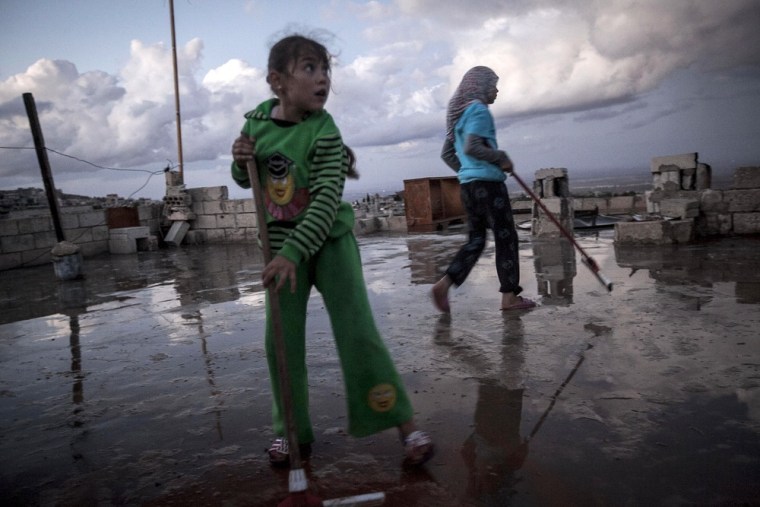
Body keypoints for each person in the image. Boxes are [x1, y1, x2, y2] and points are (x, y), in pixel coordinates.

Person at [230, 34, 433, 467]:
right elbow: (249, 180)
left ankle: (406, 427)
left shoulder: (325, 130)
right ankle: (290, 432)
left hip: (329, 243)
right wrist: (239, 156)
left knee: (357, 331)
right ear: (277, 81)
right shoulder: (256, 123)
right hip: (279, 246)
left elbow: (323, 202)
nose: (323, 78)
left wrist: (294, 253)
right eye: (309, 68)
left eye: (325, 70)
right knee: (280, 344)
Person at [432, 66, 535, 312]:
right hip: (489, 186)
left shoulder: (458, 116)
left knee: (476, 240)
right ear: (479, 86)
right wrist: (502, 158)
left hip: (468, 187)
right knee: (506, 238)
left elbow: (447, 154)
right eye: (493, 85)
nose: (496, 90)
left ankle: (445, 283)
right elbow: (472, 147)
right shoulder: (479, 110)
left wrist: (467, 172)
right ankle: (509, 297)